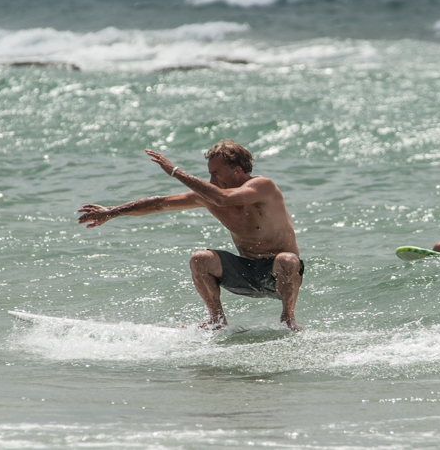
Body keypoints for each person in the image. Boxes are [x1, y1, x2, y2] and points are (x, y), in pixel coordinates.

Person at [77, 140, 304, 331]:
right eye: (210, 175)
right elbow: (160, 204)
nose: (212, 181)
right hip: (245, 271)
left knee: (287, 260)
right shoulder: (210, 195)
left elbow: (223, 199)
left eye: (216, 174)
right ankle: (217, 320)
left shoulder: (263, 186)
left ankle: (288, 319)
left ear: (237, 171)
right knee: (200, 259)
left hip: (278, 274)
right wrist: (111, 212)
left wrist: (176, 172)